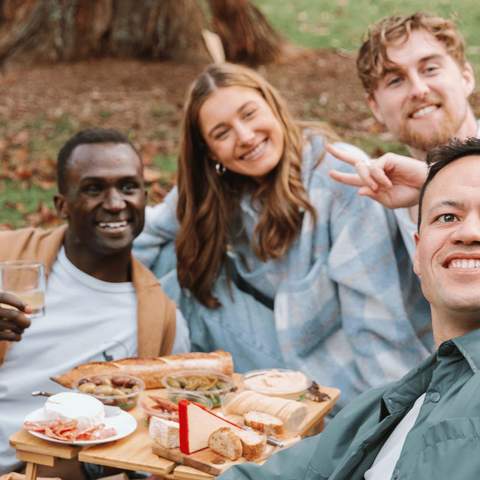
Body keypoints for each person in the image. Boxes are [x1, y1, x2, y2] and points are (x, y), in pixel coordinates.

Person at [134, 62, 432, 411]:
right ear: (210, 153)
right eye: (222, 133)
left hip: (340, 373)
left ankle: (170, 406)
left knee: (175, 290)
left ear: (274, 107)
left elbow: (377, 320)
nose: (245, 136)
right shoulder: (218, 187)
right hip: (283, 332)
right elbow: (145, 231)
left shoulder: (340, 180)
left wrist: (387, 418)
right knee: (166, 261)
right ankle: (142, 399)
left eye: (250, 114)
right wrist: (73, 266)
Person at [219, 137, 480, 480]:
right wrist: (439, 182)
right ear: (418, 252)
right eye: (447, 217)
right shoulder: (379, 411)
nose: (470, 232)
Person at [0, 128, 190, 477]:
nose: (116, 203)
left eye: (128, 187)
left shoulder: (161, 319)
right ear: (62, 206)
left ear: (145, 199)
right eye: (93, 189)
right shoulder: (10, 259)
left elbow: (151, 442)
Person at [328, 12, 479, 258]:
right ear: (375, 106)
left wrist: (433, 183)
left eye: (430, 69)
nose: (418, 90)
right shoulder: (391, 202)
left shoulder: (422, 183)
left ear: (466, 77)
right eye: (396, 80)